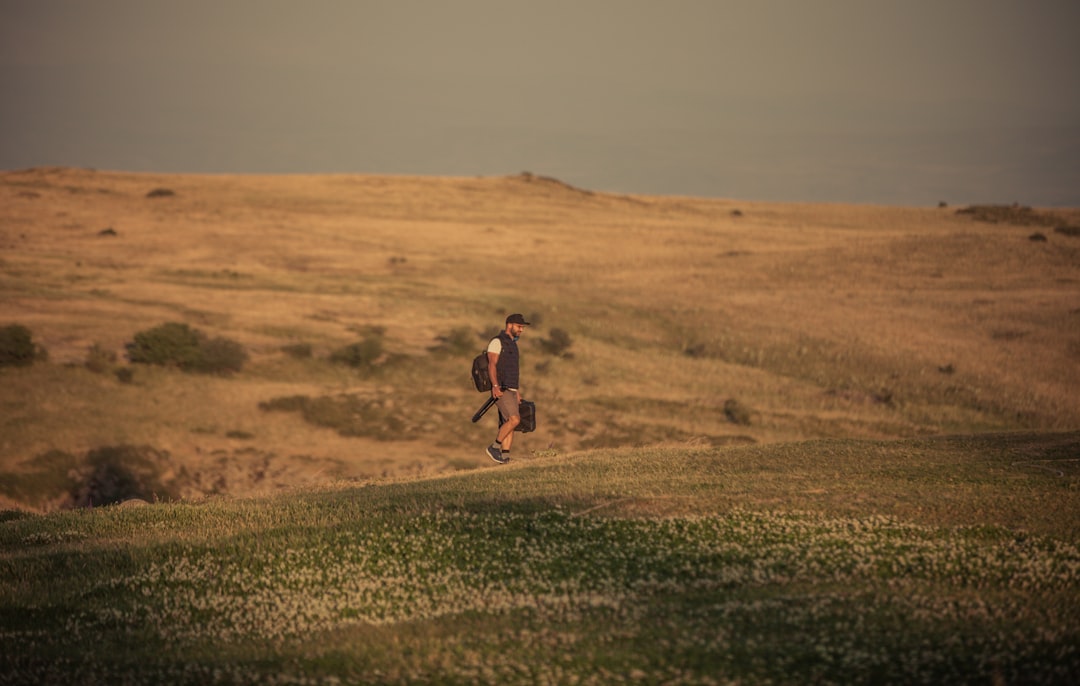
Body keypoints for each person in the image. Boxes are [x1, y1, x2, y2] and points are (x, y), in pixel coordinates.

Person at [485, 313, 529, 463]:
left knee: (509, 423)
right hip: (501, 389)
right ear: (509, 325)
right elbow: (492, 365)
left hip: (511, 389)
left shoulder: (512, 343)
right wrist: (495, 386)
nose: (521, 330)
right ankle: (494, 447)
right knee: (514, 419)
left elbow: (512, 370)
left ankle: (505, 457)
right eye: (519, 326)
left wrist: (517, 392)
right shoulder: (497, 342)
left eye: (522, 327)